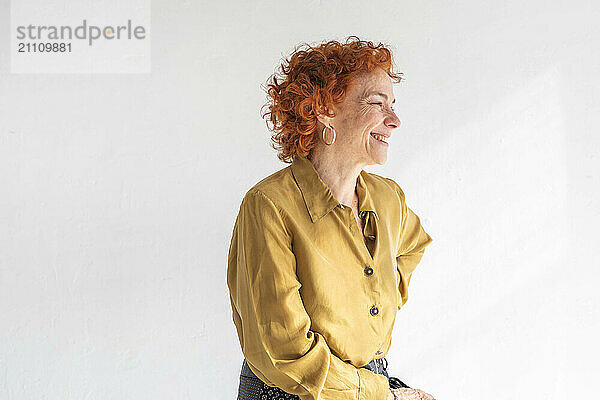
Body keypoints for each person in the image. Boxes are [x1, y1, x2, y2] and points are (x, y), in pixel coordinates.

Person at [227, 36, 435, 400]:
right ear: (323, 109)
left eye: (394, 104)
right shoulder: (269, 205)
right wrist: (380, 394)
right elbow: (285, 351)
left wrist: (377, 295)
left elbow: (413, 245)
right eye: (376, 103)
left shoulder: (389, 199)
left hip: (370, 380)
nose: (395, 119)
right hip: (290, 392)